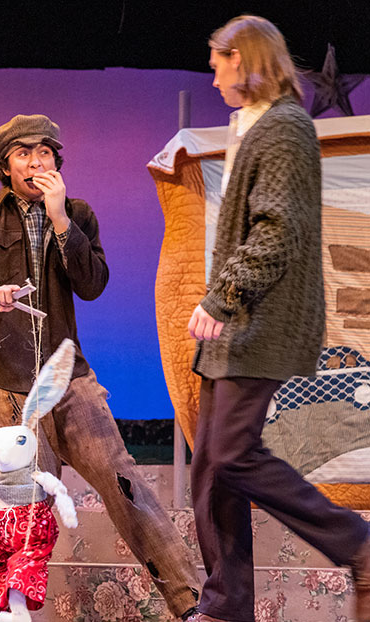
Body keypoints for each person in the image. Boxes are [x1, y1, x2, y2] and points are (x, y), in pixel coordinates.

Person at [0, 114, 201, 620]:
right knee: (22, 505)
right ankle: (5, 611)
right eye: (23, 153)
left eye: (45, 153)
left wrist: (61, 220)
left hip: (66, 377)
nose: (36, 161)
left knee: (123, 481)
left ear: (57, 163)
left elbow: (92, 284)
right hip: (5, 384)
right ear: (5, 165)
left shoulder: (78, 213)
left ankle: (190, 603)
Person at [188, 15, 370, 622]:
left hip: (263, 319)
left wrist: (221, 298)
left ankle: (360, 545)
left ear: (241, 58)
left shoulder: (286, 128)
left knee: (233, 454)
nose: (212, 79)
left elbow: (278, 230)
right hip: (240, 322)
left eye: (216, 64)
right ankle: (226, 606)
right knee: (212, 467)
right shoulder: (255, 126)